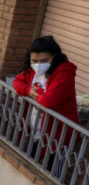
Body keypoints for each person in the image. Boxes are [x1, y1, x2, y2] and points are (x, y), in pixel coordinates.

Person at [13, 36, 79, 170]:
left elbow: (48, 101)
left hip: (59, 135)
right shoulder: (31, 70)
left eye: (44, 60)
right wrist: (28, 90)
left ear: (54, 57)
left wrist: (33, 93)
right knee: (23, 161)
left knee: (53, 174)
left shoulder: (64, 73)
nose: (38, 65)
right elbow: (16, 82)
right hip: (38, 130)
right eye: (34, 60)